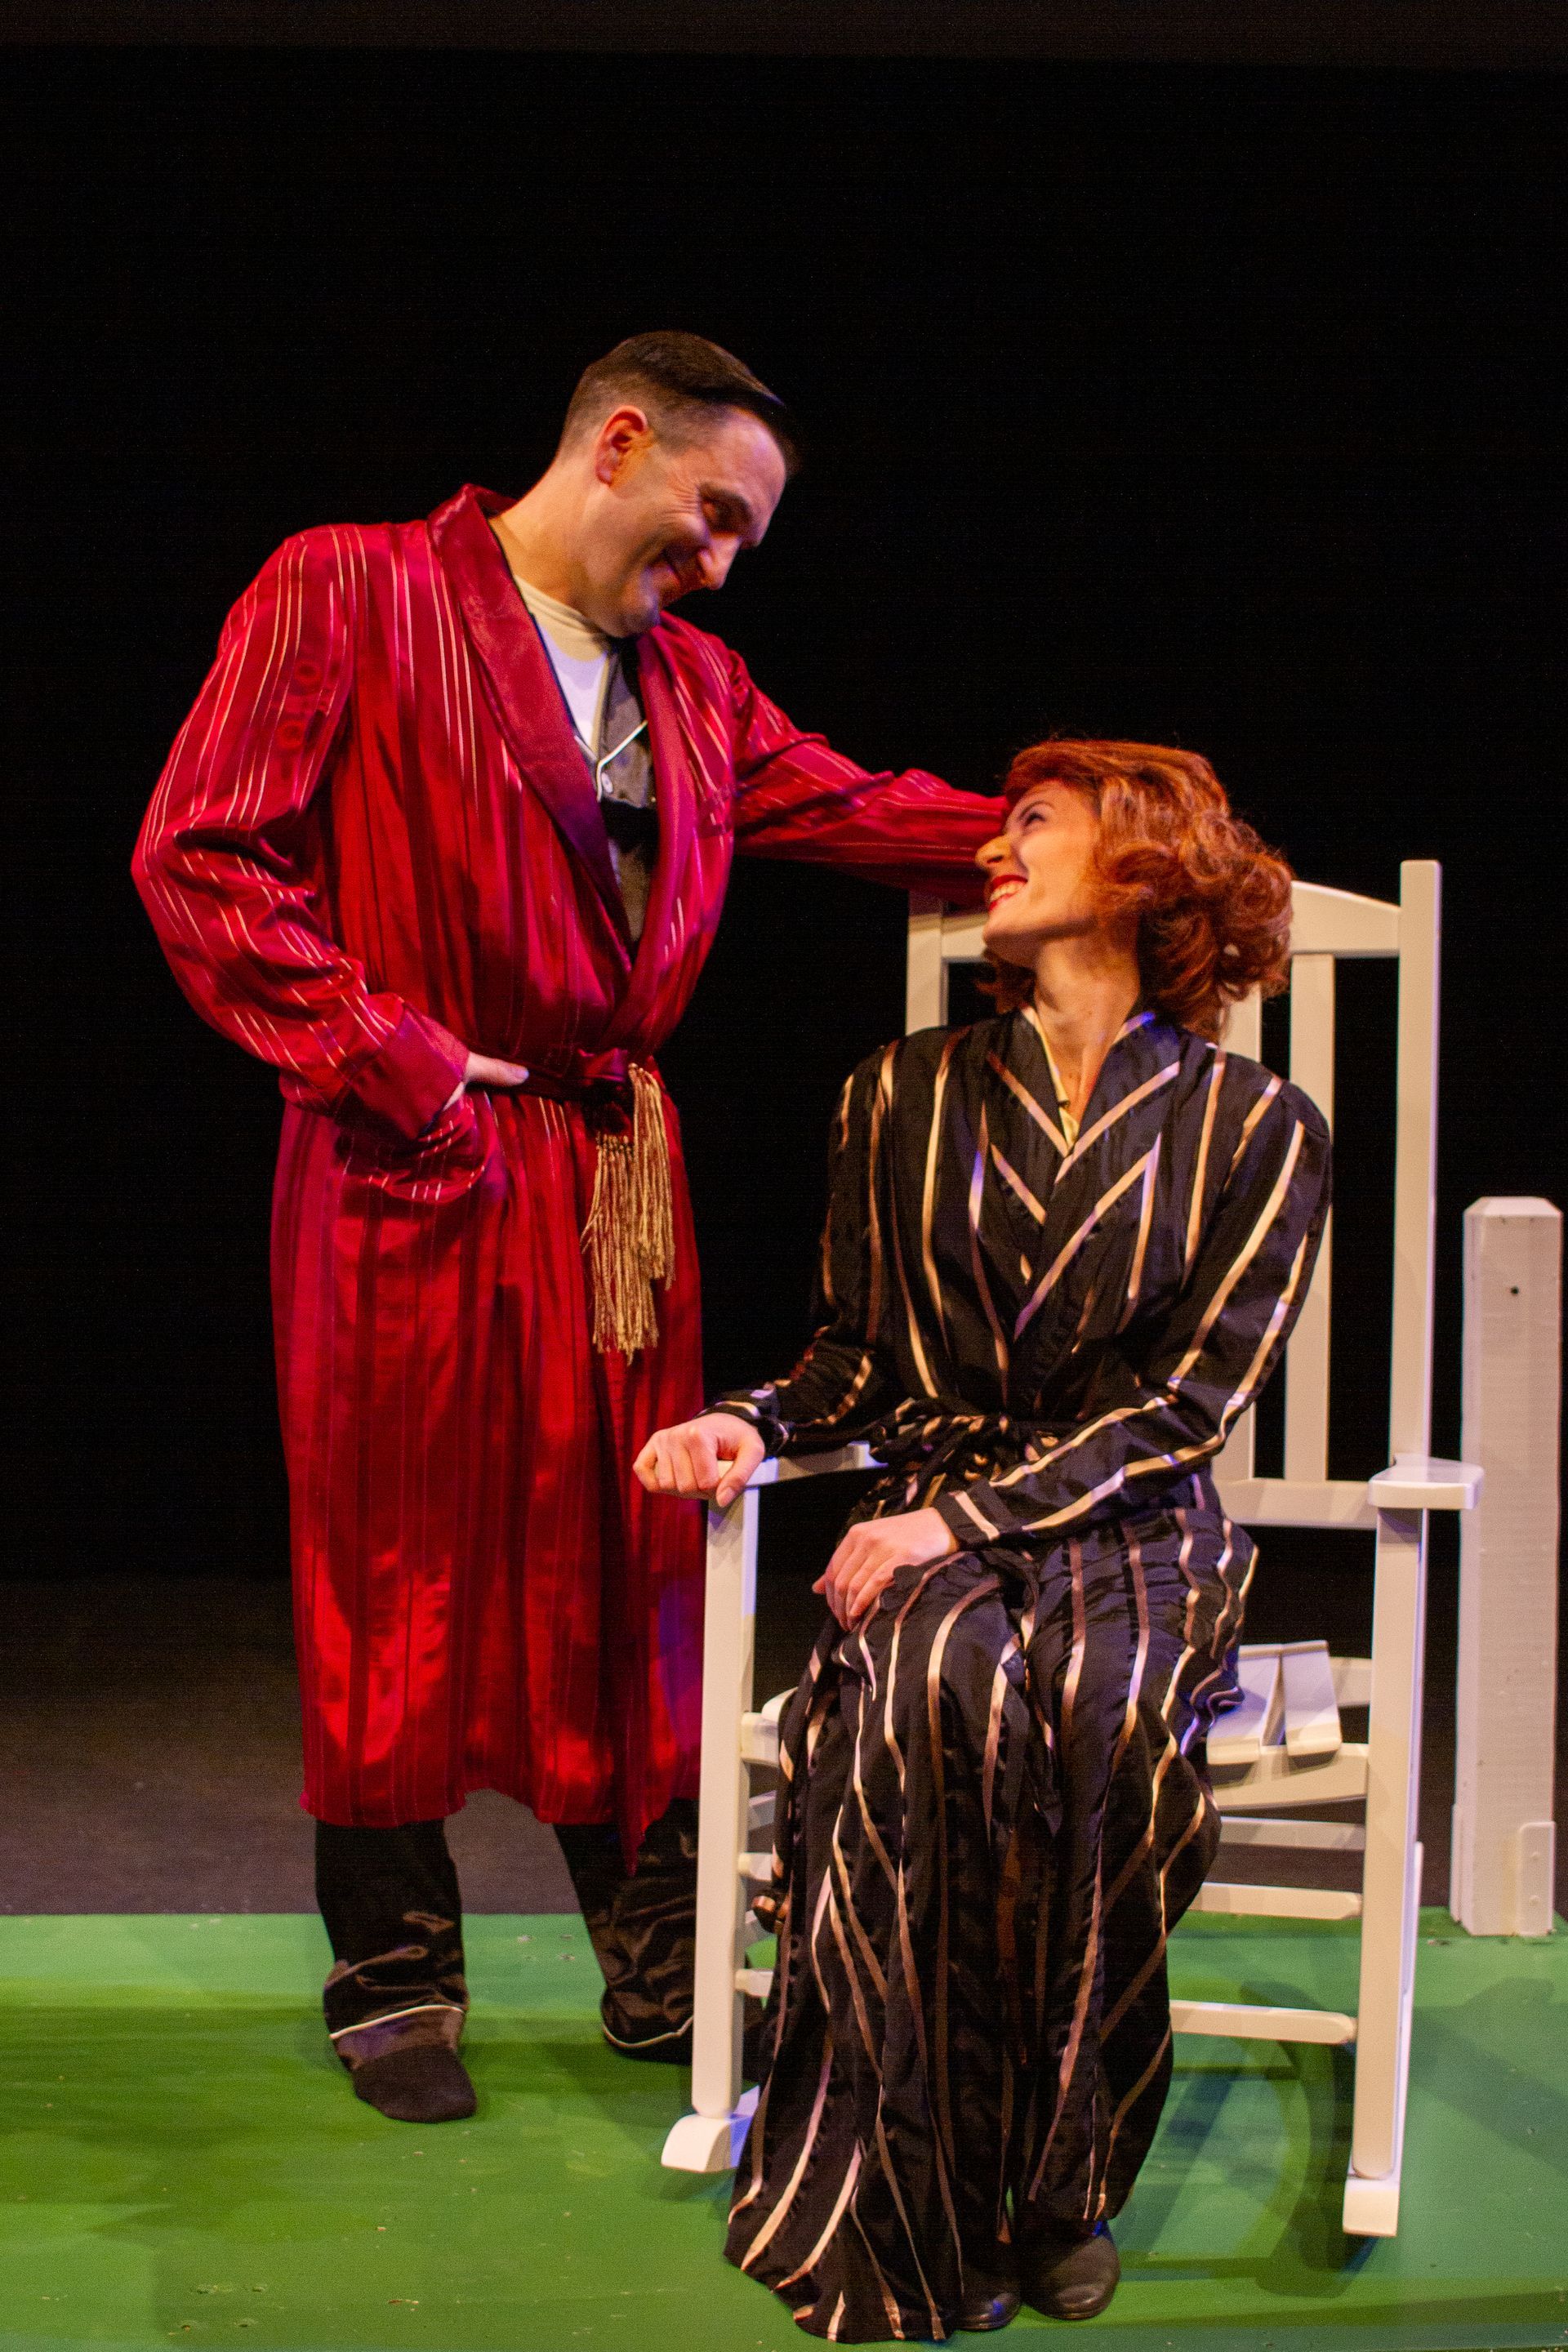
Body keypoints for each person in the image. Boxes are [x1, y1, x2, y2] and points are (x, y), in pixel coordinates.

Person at [132, 332, 1003, 2126]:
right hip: (408, 1151)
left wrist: (1086, 839)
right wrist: (392, 1056)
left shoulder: (695, 688)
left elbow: (851, 807)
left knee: (638, 1550)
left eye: (744, 542)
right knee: (392, 1551)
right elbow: (203, 853)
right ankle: (394, 1974)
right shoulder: (352, 589)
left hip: (611, 1178)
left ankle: (658, 1961)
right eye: (710, 519)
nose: (721, 563)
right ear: (618, 444)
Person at [635, 739, 1330, 2339]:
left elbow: (1182, 1408)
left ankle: (1063, 2176)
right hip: (937, 1529)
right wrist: (757, 1421)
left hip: (1132, 1529)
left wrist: (967, 1514)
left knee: (1098, 1718)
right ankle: (906, 2174)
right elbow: (854, 1366)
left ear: (1143, 871)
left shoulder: (1258, 1128)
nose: (989, 853)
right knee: (913, 1702)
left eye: (1029, 828)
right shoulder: (899, 1093)